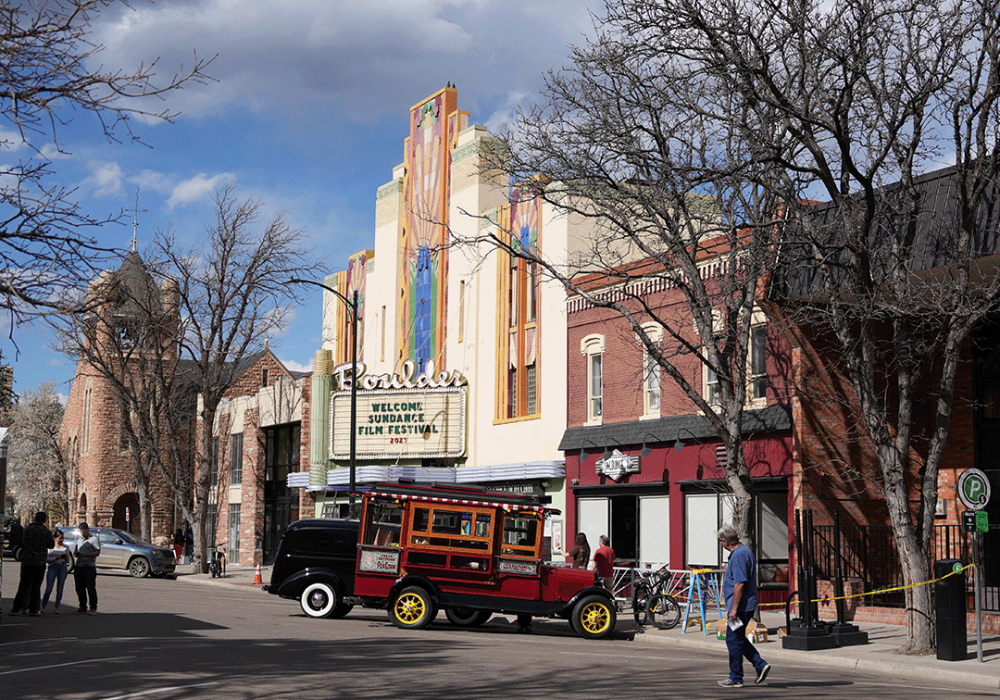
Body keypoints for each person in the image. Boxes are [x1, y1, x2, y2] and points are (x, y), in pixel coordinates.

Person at [717, 525, 771, 688]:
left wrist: (734, 609)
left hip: (741, 606)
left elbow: (740, 583)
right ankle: (760, 664)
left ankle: (736, 677)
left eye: (720, 541)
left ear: (725, 542)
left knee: (733, 639)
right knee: (738, 638)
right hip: (743, 605)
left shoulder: (739, 555)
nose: (721, 544)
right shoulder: (744, 551)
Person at [10, 512, 54, 617]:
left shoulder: (27, 530)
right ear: (44, 520)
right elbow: (51, 545)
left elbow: (20, 542)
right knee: (36, 586)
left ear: (35, 518)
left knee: (23, 585)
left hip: (27, 560)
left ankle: (16, 608)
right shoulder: (46, 532)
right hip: (40, 561)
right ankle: (33, 609)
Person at [73, 522, 101, 614]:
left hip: (89, 566)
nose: (83, 533)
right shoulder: (79, 540)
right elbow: (75, 552)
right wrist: (76, 554)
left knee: (90, 588)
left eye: (84, 531)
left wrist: (86, 555)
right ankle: (82, 606)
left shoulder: (94, 539)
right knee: (79, 588)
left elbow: (97, 552)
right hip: (79, 566)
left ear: (88, 530)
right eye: (81, 532)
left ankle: (93, 607)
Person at [42, 530, 71, 612]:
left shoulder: (66, 547)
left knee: (60, 588)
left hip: (62, 567)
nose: (62, 540)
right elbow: (46, 559)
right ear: (55, 538)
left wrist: (66, 558)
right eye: (60, 538)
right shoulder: (51, 547)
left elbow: (68, 560)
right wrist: (55, 558)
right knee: (49, 588)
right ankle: (43, 606)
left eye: (63, 538)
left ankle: (57, 607)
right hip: (53, 567)